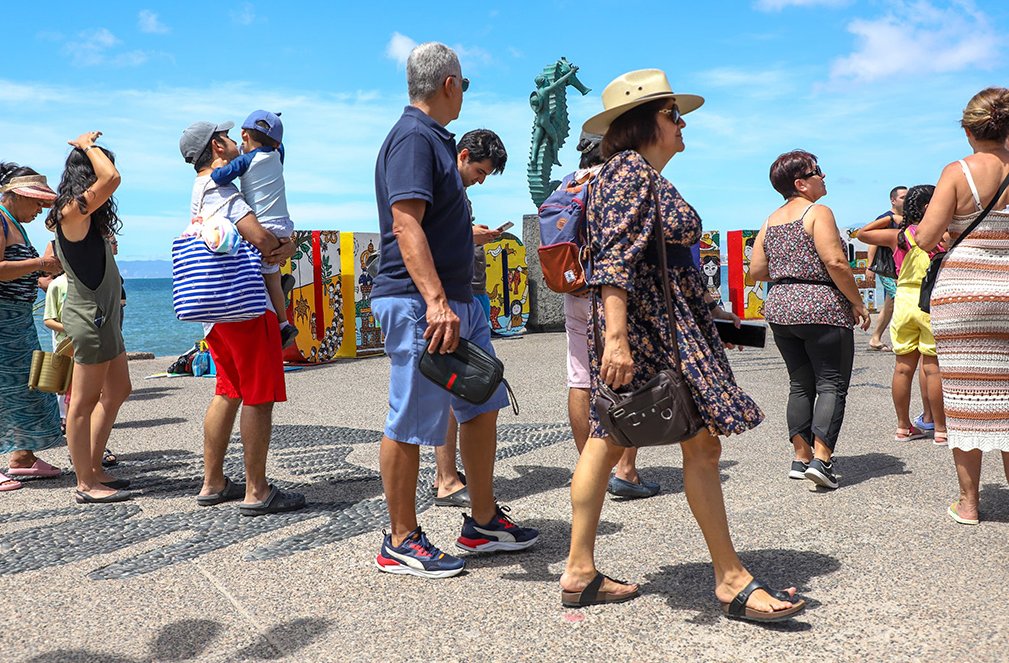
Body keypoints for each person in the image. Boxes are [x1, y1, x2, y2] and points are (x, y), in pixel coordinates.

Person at [561, 69, 805, 623]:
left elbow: (657, 261)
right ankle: (731, 579)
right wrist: (617, 340)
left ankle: (579, 571)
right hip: (650, 333)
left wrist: (712, 315)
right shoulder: (628, 173)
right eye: (673, 114)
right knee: (700, 446)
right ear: (644, 122)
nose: (682, 122)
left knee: (607, 435)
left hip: (655, 326)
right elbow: (615, 263)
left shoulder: (629, 173)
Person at [371, 42, 538, 579]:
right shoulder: (414, 138)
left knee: (482, 399)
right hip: (423, 303)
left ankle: (483, 521)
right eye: (463, 84)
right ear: (448, 84)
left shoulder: (438, 141)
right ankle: (400, 539)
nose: (464, 93)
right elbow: (406, 223)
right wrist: (436, 302)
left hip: (458, 303)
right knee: (412, 417)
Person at [180, 120, 305, 516]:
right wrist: (286, 246)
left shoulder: (198, 192)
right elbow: (263, 241)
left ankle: (213, 481)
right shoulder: (223, 190)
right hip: (247, 309)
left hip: (215, 316)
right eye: (230, 138)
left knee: (228, 390)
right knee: (259, 396)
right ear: (218, 146)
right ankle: (257, 490)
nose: (237, 142)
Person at [915, 87, 1009, 525]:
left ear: (970, 130)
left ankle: (969, 504)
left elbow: (924, 238)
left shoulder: (957, 171)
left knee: (964, 396)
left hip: (963, 294)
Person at [750, 150, 871, 490]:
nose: (824, 176)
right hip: (821, 306)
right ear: (800, 183)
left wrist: (790, 269)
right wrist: (857, 302)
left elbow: (756, 270)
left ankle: (800, 459)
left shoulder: (771, 219)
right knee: (832, 383)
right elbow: (835, 261)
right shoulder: (818, 212)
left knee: (800, 384)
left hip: (782, 307)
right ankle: (822, 461)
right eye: (818, 171)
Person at [558, 132, 662, 499]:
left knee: (580, 377)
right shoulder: (619, 180)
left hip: (575, 288)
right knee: (623, 378)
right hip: (614, 293)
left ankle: (590, 467)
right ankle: (625, 470)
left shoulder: (568, 184)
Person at [46, 133, 134, 503]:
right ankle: (85, 482)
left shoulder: (87, 216)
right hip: (90, 319)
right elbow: (111, 178)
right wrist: (87, 146)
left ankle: (95, 466)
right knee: (81, 403)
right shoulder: (70, 211)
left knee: (118, 390)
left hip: (106, 317)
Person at [432, 128, 507, 508]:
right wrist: (470, 234)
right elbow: (425, 234)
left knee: (480, 387)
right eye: (479, 171)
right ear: (462, 156)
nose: (480, 180)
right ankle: (446, 477)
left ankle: (470, 489)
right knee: (450, 388)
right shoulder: (441, 183)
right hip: (448, 297)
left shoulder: (456, 189)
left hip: (466, 293)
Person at [857, 185, 946, 445]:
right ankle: (940, 429)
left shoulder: (899, 235)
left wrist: (893, 217)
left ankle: (902, 427)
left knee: (902, 368)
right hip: (930, 300)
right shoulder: (941, 235)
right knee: (932, 368)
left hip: (904, 301)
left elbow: (863, 233)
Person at [0, 162, 65, 490]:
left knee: (31, 387)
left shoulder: (16, 224)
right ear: (13, 195)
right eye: (36, 201)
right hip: (2, 320)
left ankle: (22, 457)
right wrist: (40, 263)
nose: (41, 209)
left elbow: (19, 271)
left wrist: (52, 280)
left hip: (18, 319)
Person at [210, 110, 298, 349]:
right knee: (271, 271)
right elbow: (274, 144)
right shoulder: (278, 155)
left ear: (244, 135)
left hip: (262, 225)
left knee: (262, 273)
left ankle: (281, 323)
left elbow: (220, 177)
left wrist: (220, 163)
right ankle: (281, 305)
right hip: (283, 225)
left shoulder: (245, 160)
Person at [864, 186, 906, 351]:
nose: (906, 200)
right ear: (893, 200)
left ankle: (876, 338)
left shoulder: (908, 219)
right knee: (899, 298)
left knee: (890, 304)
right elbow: (872, 241)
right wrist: (869, 267)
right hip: (887, 267)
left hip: (902, 269)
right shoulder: (885, 219)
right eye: (902, 197)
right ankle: (901, 339)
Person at [43, 272, 70, 430]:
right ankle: (63, 418)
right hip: (64, 344)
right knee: (64, 387)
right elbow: (48, 319)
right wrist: (71, 328)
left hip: (89, 344)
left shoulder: (88, 280)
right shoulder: (57, 285)